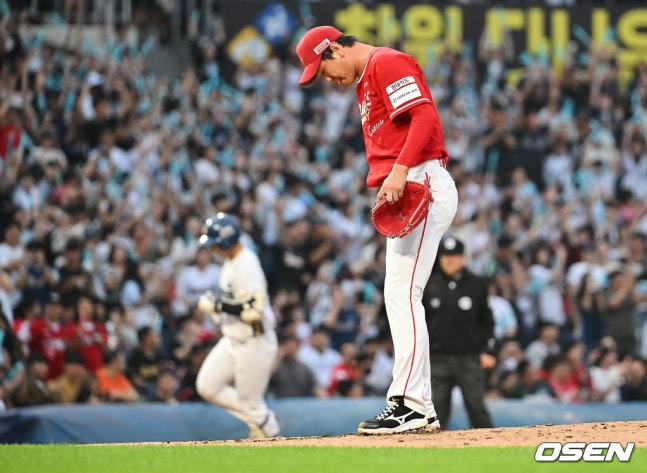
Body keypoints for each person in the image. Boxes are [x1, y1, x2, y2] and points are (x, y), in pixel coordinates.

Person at [297, 25, 457, 434]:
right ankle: (420, 405)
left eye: (324, 70)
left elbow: (424, 115)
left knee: (403, 295)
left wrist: (400, 170)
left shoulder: (384, 61)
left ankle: (410, 404)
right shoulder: (365, 76)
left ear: (335, 49)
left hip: (421, 179)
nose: (327, 80)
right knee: (399, 295)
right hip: (411, 183)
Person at [195, 213, 280, 438]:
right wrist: (218, 307)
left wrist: (219, 305)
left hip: (254, 341)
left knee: (251, 403)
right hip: (232, 338)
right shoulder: (230, 262)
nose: (212, 249)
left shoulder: (247, 264)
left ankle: (267, 428)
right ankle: (262, 418)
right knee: (207, 386)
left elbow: (253, 312)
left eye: (215, 243)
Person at [423, 237, 495, 429]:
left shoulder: (477, 285)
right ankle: (433, 448)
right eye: (446, 256)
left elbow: (487, 322)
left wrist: (488, 351)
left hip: (469, 357)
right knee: (436, 410)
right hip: (437, 357)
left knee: (476, 406)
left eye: (454, 256)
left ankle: (490, 443)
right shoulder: (428, 284)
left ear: (463, 257)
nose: (450, 260)